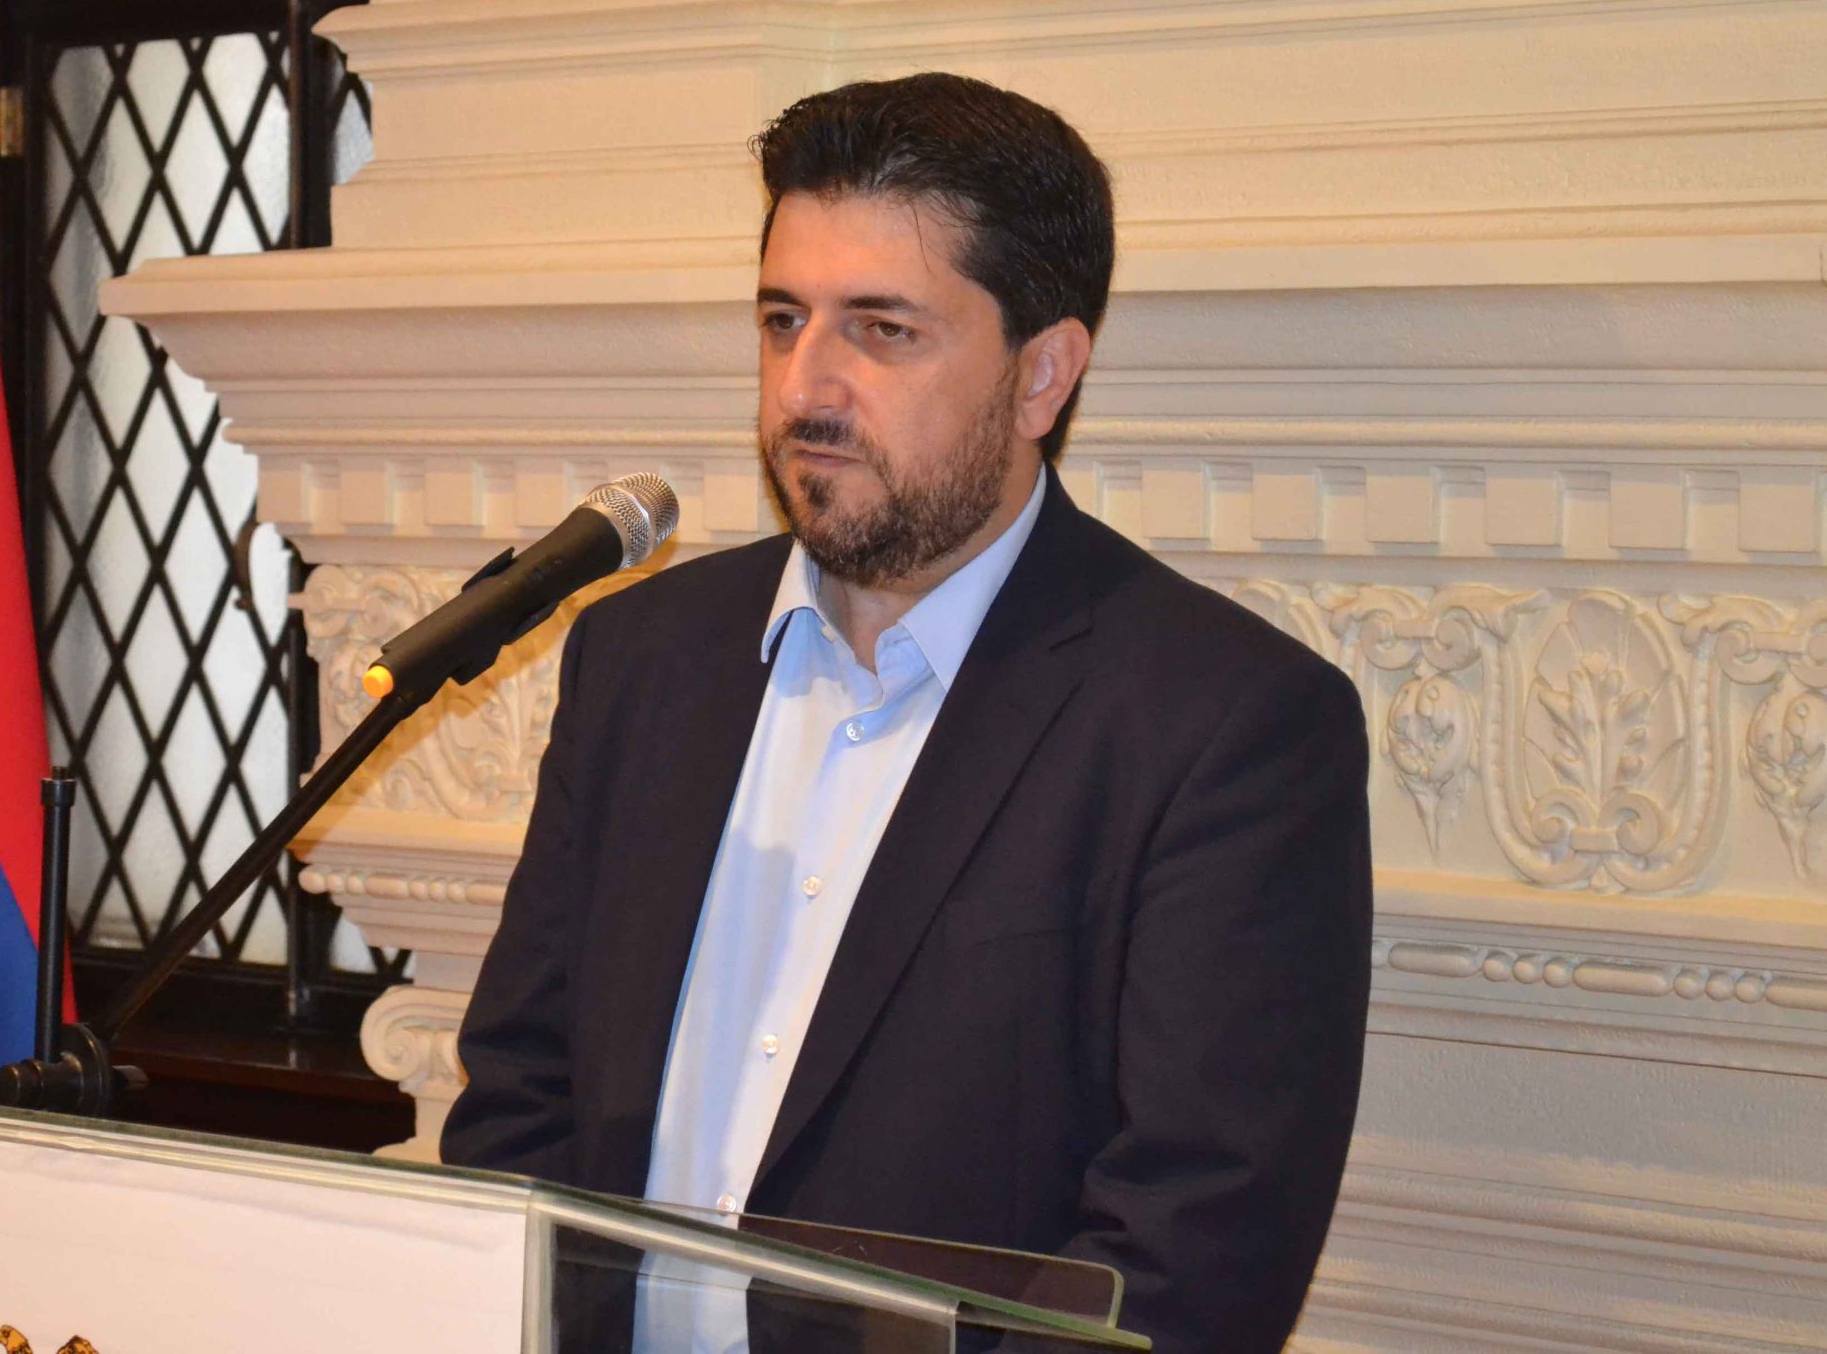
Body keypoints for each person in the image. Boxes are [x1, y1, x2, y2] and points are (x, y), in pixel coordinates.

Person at [440, 73, 1373, 1351]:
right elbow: (520, 1099)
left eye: (881, 330)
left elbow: (1194, 1255)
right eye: (782, 319)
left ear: (1042, 374)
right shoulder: (643, 657)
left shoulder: (1223, 727)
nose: (803, 389)